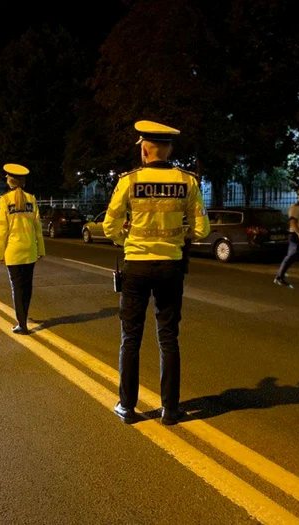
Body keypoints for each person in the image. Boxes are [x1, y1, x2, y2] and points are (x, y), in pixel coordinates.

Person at [103, 120, 210, 426]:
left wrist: (128, 237)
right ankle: (170, 410)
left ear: (146, 150)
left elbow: (110, 226)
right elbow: (202, 229)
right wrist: (177, 235)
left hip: (136, 266)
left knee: (131, 338)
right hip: (171, 267)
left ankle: (127, 407)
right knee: (168, 338)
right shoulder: (187, 181)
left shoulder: (129, 181)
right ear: (169, 149)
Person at [0, 163, 46, 334]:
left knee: (17, 287)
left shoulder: (5, 200)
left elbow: (1, 230)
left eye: (7, 176)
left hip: (14, 251)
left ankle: (22, 324)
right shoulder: (31, 199)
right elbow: (38, 227)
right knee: (27, 286)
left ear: (11, 180)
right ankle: (24, 316)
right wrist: (41, 250)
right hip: (30, 249)